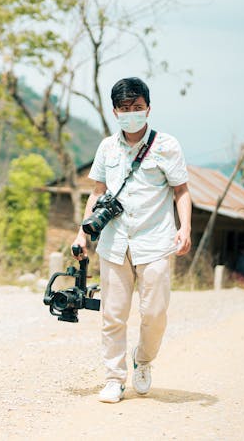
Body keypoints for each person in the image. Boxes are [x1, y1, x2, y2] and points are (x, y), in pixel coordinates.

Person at [72, 77, 192, 403]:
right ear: (115, 111)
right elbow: (97, 193)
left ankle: (144, 359)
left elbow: (181, 191)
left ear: (148, 108)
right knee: (113, 315)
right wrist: (83, 234)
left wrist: (185, 229)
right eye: (125, 109)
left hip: (155, 241)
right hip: (114, 243)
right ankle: (114, 378)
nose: (131, 113)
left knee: (154, 313)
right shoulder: (107, 147)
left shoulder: (167, 145)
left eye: (137, 107)